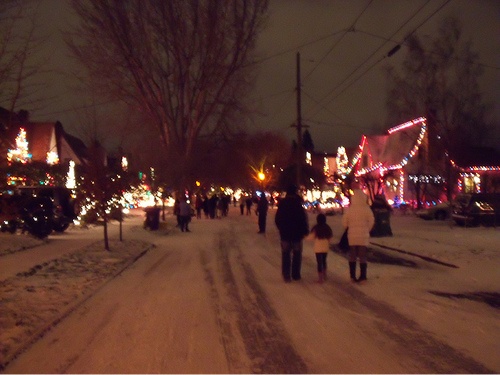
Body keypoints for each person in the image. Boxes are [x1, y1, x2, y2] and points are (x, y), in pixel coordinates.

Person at [275, 184, 309, 282]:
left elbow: (278, 218)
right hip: (297, 233)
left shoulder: (282, 204)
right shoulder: (298, 204)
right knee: (297, 254)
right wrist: (304, 230)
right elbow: (303, 218)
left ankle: (286, 274)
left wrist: (281, 228)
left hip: (285, 233)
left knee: (286, 254)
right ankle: (295, 274)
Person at [342, 188, 375, 283]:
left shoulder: (350, 209)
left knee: (352, 255)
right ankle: (363, 276)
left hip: (352, 235)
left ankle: (352, 276)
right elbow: (371, 220)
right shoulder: (366, 208)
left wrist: (348, 227)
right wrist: (367, 229)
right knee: (362, 256)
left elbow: (344, 221)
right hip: (363, 235)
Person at [306, 213, 333, 283]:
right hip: (325, 247)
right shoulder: (327, 228)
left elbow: (311, 237)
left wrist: (305, 237)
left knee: (319, 262)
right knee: (324, 261)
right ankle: (325, 275)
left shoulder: (316, 228)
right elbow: (330, 238)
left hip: (318, 248)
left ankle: (320, 278)